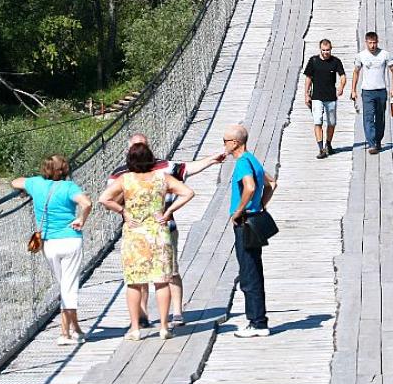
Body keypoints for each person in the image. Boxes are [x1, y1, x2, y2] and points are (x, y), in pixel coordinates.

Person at [103, 133, 225, 327]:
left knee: (168, 271)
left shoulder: (162, 168)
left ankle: (175, 313)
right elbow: (112, 198)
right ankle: (144, 317)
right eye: (136, 147)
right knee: (145, 276)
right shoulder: (121, 175)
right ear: (130, 150)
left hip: (157, 229)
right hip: (149, 228)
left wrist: (211, 159)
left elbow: (188, 168)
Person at [100, 141, 195, 341]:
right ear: (151, 158)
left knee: (134, 282)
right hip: (159, 233)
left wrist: (123, 211)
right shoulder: (162, 177)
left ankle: (135, 328)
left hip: (135, 235)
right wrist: (168, 211)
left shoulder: (125, 180)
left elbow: (104, 199)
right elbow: (188, 192)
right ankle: (163, 326)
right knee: (162, 281)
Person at [11, 155, 93, 345]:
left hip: (49, 244)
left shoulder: (36, 184)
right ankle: (64, 334)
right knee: (69, 287)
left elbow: (15, 182)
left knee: (64, 285)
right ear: (65, 170)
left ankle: (76, 329)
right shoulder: (69, 187)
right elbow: (87, 203)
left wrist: (26, 190)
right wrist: (81, 219)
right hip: (70, 240)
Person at [223, 123, 275, 338]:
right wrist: (261, 205)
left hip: (245, 222)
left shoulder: (242, 163)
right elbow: (271, 183)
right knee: (254, 266)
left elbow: (251, 186)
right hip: (256, 219)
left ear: (235, 143)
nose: (224, 145)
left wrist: (239, 210)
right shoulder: (253, 159)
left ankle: (257, 322)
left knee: (248, 271)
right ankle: (258, 319)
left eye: (225, 141)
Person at [350, 32, 393, 154]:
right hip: (367, 91)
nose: (372, 45)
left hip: (381, 90)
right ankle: (371, 143)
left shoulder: (384, 55)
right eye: (370, 43)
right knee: (368, 117)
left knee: (380, 117)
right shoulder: (361, 56)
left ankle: (378, 140)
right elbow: (356, 72)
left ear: (378, 42)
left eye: (374, 43)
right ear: (366, 42)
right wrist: (353, 90)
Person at [303, 39, 346, 158]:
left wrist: (341, 86)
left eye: (328, 50)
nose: (326, 52)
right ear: (320, 50)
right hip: (317, 96)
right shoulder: (314, 61)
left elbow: (342, 75)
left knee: (331, 122)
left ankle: (328, 144)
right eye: (323, 50)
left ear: (331, 49)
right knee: (318, 121)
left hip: (331, 96)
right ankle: (321, 148)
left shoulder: (336, 61)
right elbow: (308, 77)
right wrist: (306, 94)